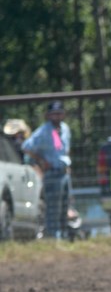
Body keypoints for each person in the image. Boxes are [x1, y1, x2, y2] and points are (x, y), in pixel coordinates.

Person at [20, 101, 72, 239]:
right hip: (52, 174)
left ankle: (64, 235)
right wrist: (42, 161)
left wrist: (67, 164)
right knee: (53, 209)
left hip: (64, 172)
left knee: (65, 207)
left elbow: (64, 150)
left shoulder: (65, 129)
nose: (56, 116)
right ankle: (53, 237)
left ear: (63, 114)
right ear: (48, 115)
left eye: (59, 113)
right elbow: (26, 147)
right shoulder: (43, 131)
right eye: (53, 114)